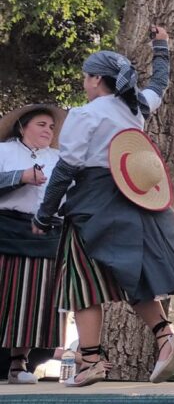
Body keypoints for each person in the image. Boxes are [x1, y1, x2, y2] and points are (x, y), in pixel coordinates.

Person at [31, 27, 174, 387]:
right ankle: (164, 336)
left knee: (82, 281)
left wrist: (44, 214)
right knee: (130, 274)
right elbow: (160, 83)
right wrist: (161, 46)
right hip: (133, 197)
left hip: (93, 200)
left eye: (86, 77)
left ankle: (91, 360)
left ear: (96, 79)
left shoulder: (85, 115)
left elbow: (66, 169)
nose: (84, 83)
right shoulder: (136, 107)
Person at [0, 105, 65, 385]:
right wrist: (21, 177)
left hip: (45, 234)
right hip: (4, 229)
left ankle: (18, 364)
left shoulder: (59, 159)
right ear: (22, 126)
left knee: (32, 300)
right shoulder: (3, 151)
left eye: (51, 127)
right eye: (41, 124)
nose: (48, 130)